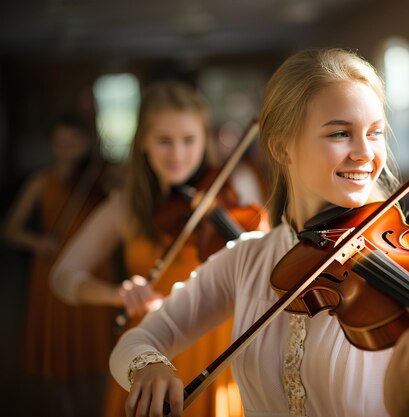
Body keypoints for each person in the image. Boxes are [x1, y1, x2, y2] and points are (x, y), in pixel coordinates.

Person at [110, 48, 409, 417]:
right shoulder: (245, 259)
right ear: (282, 147)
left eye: (375, 133)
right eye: (340, 133)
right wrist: (150, 366)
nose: (366, 153)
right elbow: (138, 339)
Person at [51, 81, 266, 417]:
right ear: (143, 144)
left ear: (204, 140)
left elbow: (260, 259)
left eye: (189, 140)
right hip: (150, 349)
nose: (177, 154)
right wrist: (118, 294)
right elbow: (62, 277)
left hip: (219, 345)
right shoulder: (124, 207)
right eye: (164, 141)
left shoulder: (234, 186)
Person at [3, 113, 119, 416]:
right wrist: (37, 242)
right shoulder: (41, 181)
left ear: (88, 143)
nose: (67, 150)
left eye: (74, 142)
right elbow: (10, 229)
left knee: (96, 350)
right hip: (52, 271)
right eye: (61, 143)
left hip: (93, 271)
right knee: (59, 353)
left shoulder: (98, 179)